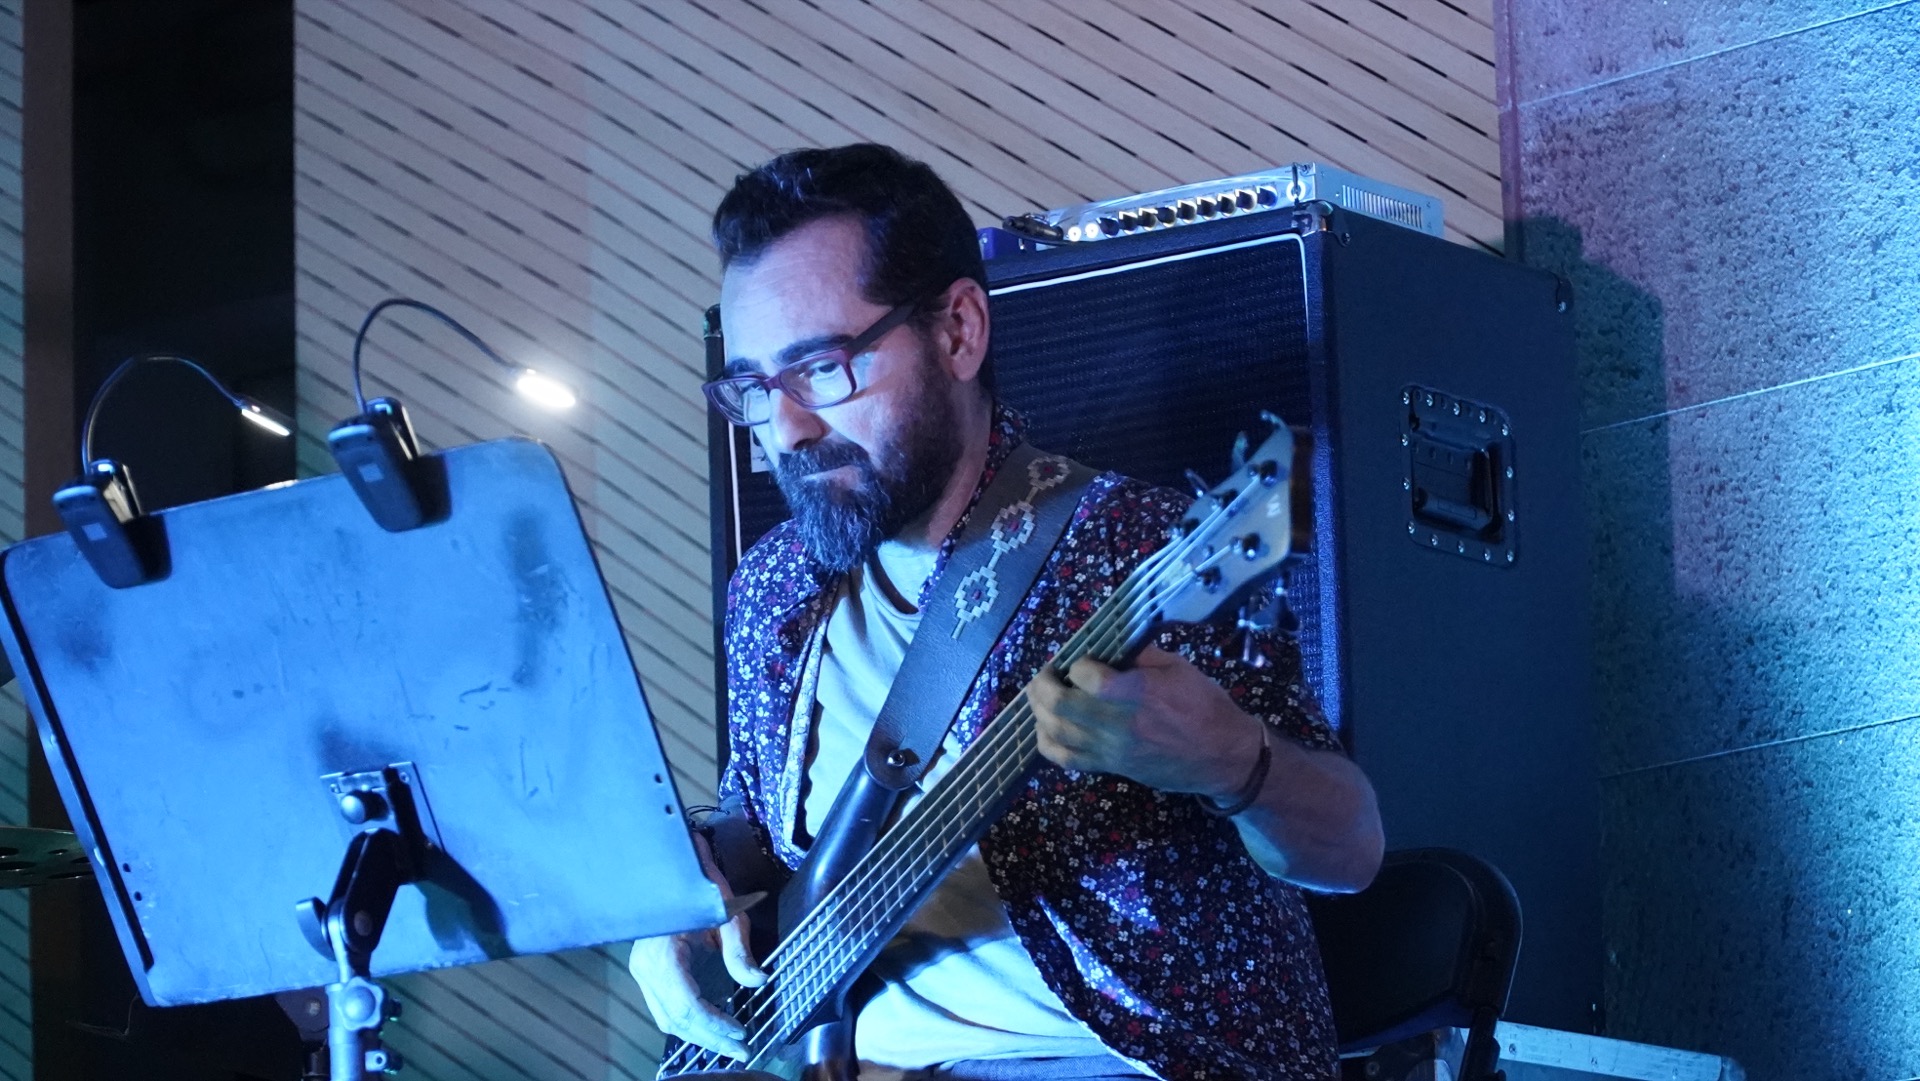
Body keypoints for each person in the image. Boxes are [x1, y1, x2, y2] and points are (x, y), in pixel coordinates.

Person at [629, 144, 1384, 1081]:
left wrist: (1231, 758)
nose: (786, 429)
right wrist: (678, 900)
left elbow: (1352, 847)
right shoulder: (776, 587)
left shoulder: (1132, 550)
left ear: (958, 331)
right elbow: (762, 831)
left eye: (821, 368)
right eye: (753, 388)